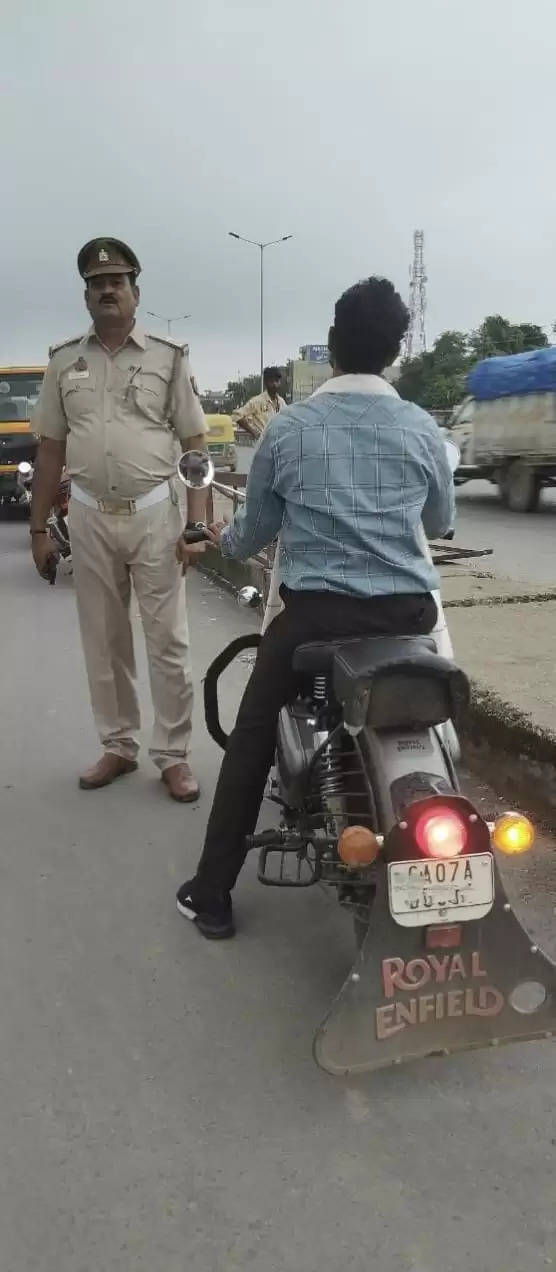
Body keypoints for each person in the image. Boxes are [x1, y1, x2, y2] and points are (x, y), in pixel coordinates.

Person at [176, 275, 455, 938]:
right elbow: (439, 523)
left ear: (332, 345)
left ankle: (212, 893)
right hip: (409, 619)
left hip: (316, 623)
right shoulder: (421, 428)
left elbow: (252, 535)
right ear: (395, 351)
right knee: (442, 716)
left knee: (249, 736)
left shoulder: (290, 429)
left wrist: (221, 536)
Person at [31, 236, 208, 801]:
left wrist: (197, 524)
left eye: (117, 282)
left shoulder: (169, 356)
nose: (107, 290)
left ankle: (174, 755)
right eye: (97, 283)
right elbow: (50, 450)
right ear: (86, 295)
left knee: (169, 644)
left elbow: (195, 444)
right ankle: (118, 746)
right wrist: (39, 530)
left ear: (135, 292)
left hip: (155, 514)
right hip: (86, 515)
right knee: (104, 642)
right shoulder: (64, 361)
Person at [232, 366, 285, 440]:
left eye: (277, 381)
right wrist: (254, 432)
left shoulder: (282, 402)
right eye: (271, 381)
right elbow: (236, 415)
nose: (275, 384)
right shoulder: (257, 401)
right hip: (263, 445)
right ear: (266, 382)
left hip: (278, 443)